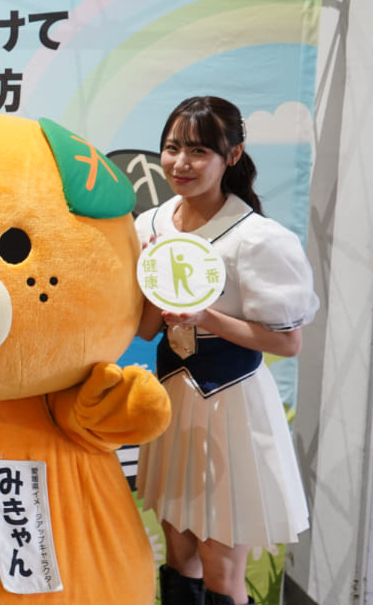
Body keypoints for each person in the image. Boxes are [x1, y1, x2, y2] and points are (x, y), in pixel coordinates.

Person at [134, 96, 319, 605]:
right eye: (172, 148)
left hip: (233, 408)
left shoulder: (257, 238)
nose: (181, 163)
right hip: (174, 403)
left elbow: (288, 341)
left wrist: (206, 317)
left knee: (220, 566)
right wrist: (151, 284)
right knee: (178, 552)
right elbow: (147, 330)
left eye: (198, 151)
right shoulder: (150, 225)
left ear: (231, 156)